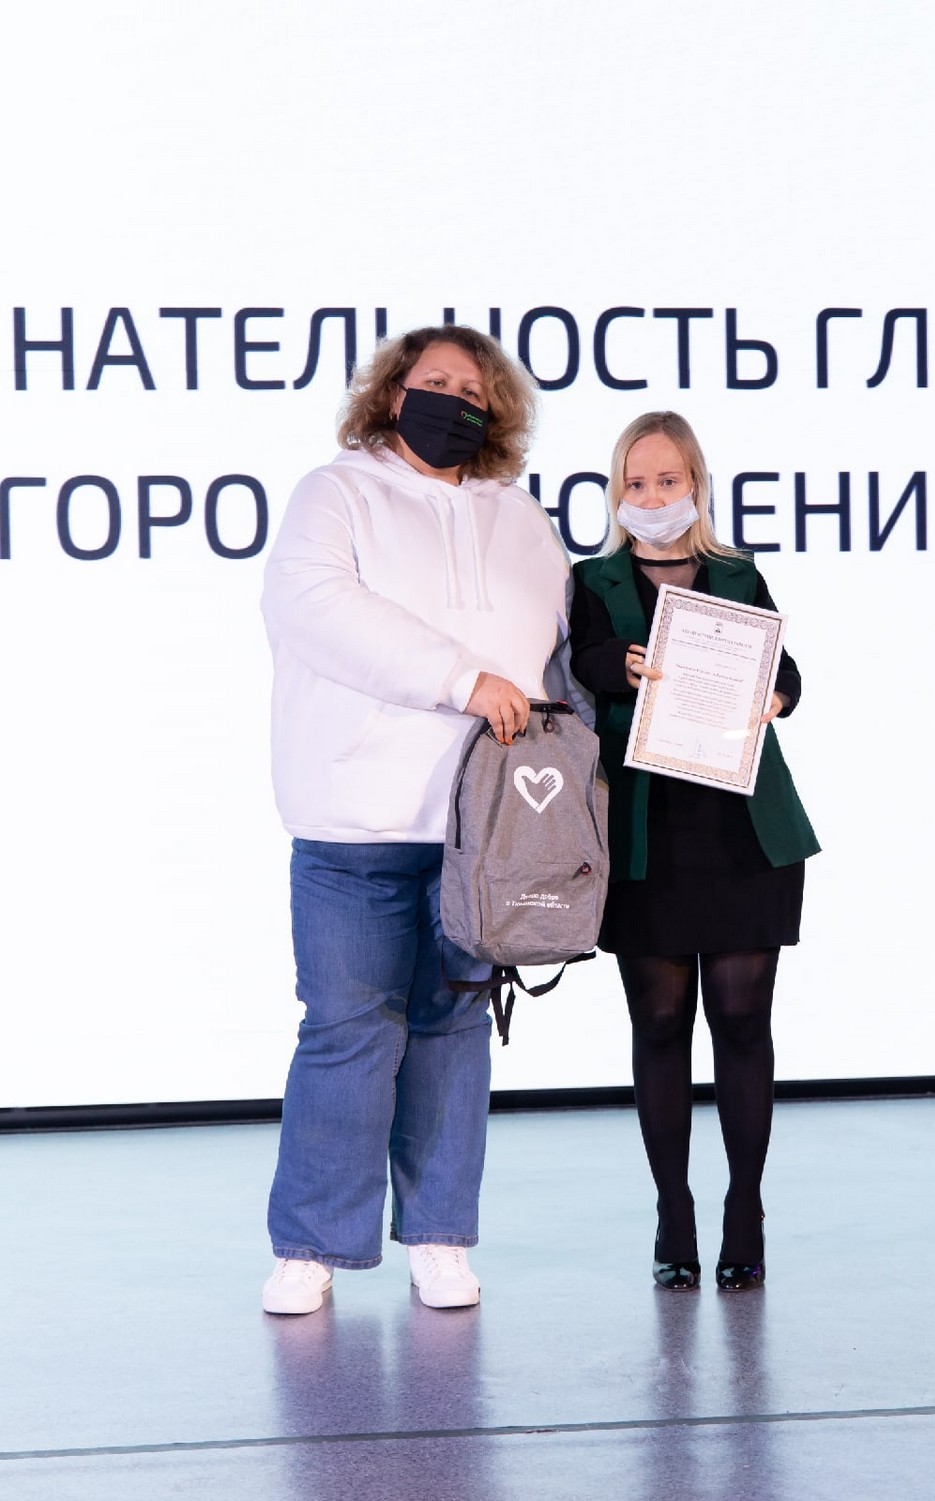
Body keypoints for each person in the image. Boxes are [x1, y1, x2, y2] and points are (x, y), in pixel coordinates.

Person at [260, 325, 573, 1314]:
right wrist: (461, 677)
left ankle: (439, 1235)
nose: (453, 400)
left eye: (472, 390)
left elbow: (565, 647)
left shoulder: (520, 517)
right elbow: (316, 607)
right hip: (353, 826)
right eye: (433, 381)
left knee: (453, 1031)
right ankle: (312, 1244)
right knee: (346, 1032)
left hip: (481, 834)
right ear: (393, 394)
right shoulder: (335, 494)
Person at [569, 412, 819, 1292]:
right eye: (634, 483)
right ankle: (673, 1210)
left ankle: (745, 1208)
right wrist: (620, 665)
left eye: (667, 481)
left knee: (744, 1024)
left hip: (745, 831)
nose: (651, 497)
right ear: (617, 493)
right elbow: (579, 664)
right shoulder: (591, 579)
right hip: (647, 834)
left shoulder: (738, 574)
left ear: (697, 486)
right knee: (660, 1024)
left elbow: (787, 671)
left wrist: (776, 695)